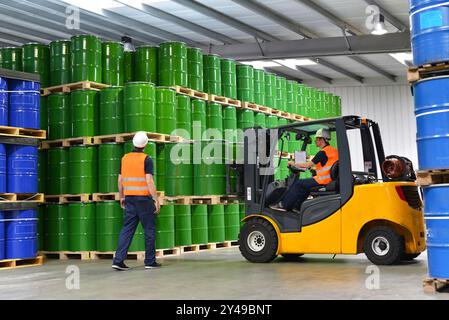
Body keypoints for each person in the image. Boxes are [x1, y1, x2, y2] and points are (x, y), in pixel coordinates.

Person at [112, 131, 161, 271]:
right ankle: (150, 261)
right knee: (149, 230)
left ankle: (118, 260)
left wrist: (122, 196)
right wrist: (156, 199)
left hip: (130, 199)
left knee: (127, 229)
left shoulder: (125, 158)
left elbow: (120, 180)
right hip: (144, 200)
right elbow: (149, 180)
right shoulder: (147, 159)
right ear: (145, 145)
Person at [270, 128, 338, 212]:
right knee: (305, 187)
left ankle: (283, 205)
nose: (315, 141)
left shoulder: (323, 152)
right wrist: (313, 170)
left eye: (317, 139)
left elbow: (308, 164)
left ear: (322, 139)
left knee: (299, 183)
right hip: (329, 179)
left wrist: (293, 163)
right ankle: (297, 207)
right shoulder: (333, 151)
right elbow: (328, 165)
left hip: (322, 180)